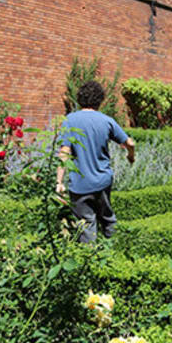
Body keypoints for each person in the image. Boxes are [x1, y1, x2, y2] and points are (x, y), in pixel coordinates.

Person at [56, 81, 135, 243]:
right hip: (102, 181)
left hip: (80, 184)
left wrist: (59, 181)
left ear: (80, 99)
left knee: (86, 224)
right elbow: (130, 143)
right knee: (107, 217)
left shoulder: (70, 120)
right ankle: (114, 249)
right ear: (100, 100)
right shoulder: (106, 121)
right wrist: (130, 156)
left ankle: (90, 260)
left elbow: (64, 151)